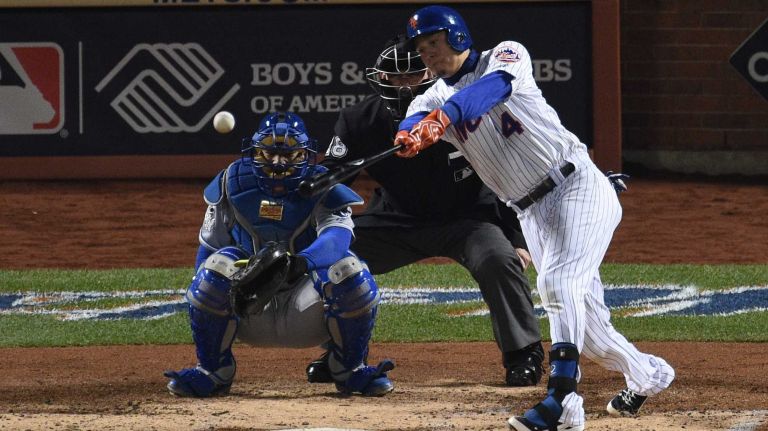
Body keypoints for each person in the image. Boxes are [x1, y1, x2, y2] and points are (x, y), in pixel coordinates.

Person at [394, 5, 674, 431]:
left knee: (557, 284)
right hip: (531, 212)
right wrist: (410, 133)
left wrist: (442, 119)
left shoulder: (506, 54)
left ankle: (562, 401)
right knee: (593, 335)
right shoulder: (430, 99)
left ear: (457, 37)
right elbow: (416, 118)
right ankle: (649, 375)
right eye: (421, 47)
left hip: (576, 185)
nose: (428, 53)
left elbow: (491, 90)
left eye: (434, 42)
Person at [309, 35, 546, 388]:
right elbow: (333, 173)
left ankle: (524, 355)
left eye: (413, 76)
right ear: (381, 79)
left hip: (469, 219)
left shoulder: (469, 113)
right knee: (332, 259)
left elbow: (510, 172)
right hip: (396, 220)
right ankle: (343, 355)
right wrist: (313, 181)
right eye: (396, 77)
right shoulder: (360, 120)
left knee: (499, 259)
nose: (404, 85)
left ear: (431, 74)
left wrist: (516, 236)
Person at [164, 112, 395, 398]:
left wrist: (301, 263)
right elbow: (208, 248)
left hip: (306, 306)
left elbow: (338, 238)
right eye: (270, 153)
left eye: (289, 155)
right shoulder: (230, 182)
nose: (278, 163)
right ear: (255, 152)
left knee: (350, 270)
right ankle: (212, 370)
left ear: (305, 155)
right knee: (213, 269)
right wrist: (210, 299)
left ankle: (349, 369)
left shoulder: (324, 184)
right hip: (248, 307)